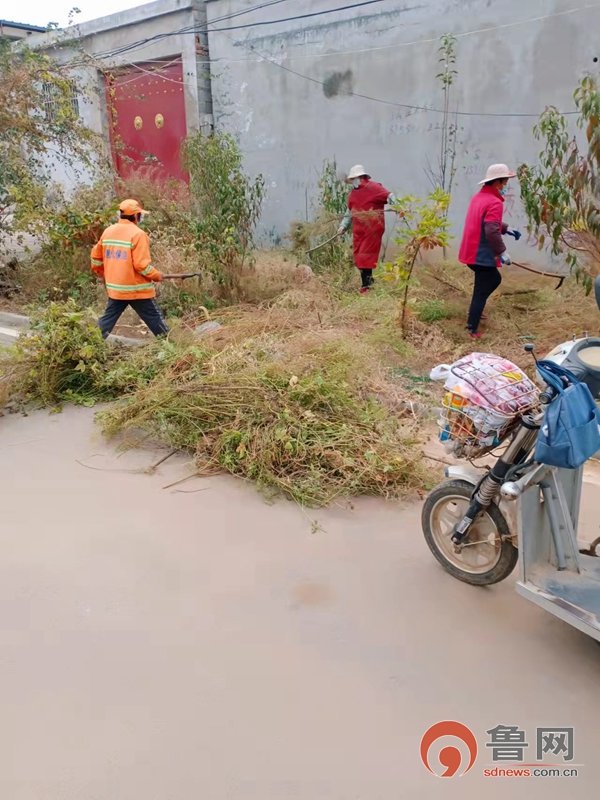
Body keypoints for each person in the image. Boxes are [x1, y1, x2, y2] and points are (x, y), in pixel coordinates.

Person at [458, 164, 522, 339]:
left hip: (470, 251)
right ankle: (472, 327)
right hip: (480, 253)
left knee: (487, 283)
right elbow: (491, 230)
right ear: (498, 182)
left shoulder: (479, 197)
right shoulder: (494, 202)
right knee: (489, 282)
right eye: (505, 181)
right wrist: (502, 252)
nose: (506, 185)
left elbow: (487, 223)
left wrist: (507, 228)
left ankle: (475, 311)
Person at [91, 199, 168, 339]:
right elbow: (141, 265)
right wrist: (157, 275)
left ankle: (90, 343)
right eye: (139, 214)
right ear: (135, 216)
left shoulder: (108, 231)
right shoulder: (138, 234)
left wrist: (103, 274)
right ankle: (170, 347)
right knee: (156, 321)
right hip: (136, 290)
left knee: (106, 322)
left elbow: (95, 258)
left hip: (116, 289)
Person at [337, 165, 396, 294]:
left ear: (362, 177)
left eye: (355, 178)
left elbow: (389, 195)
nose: (354, 181)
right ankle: (369, 283)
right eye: (352, 179)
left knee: (366, 257)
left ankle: (366, 286)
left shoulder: (374, 188)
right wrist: (343, 226)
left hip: (372, 229)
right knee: (359, 257)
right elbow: (349, 212)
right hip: (359, 231)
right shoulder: (352, 195)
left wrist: (398, 205)